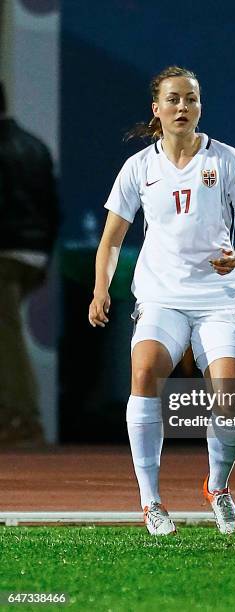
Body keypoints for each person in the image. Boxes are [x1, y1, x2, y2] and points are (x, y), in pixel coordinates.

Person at [89, 66, 235, 535]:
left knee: (230, 398)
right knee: (145, 371)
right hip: (161, 295)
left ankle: (217, 487)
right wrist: (100, 289)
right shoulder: (139, 168)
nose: (182, 108)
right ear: (157, 109)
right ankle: (151, 502)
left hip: (218, 296)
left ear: (200, 107)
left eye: (190, 99)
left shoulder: (227, 160)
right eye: (172, 100)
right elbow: (111, 240)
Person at [0, 82, 59, 445]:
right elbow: (53, 207)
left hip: (5, 254)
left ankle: (23, 417)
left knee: (8, 339)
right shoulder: (34, 145)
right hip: (34, 255)